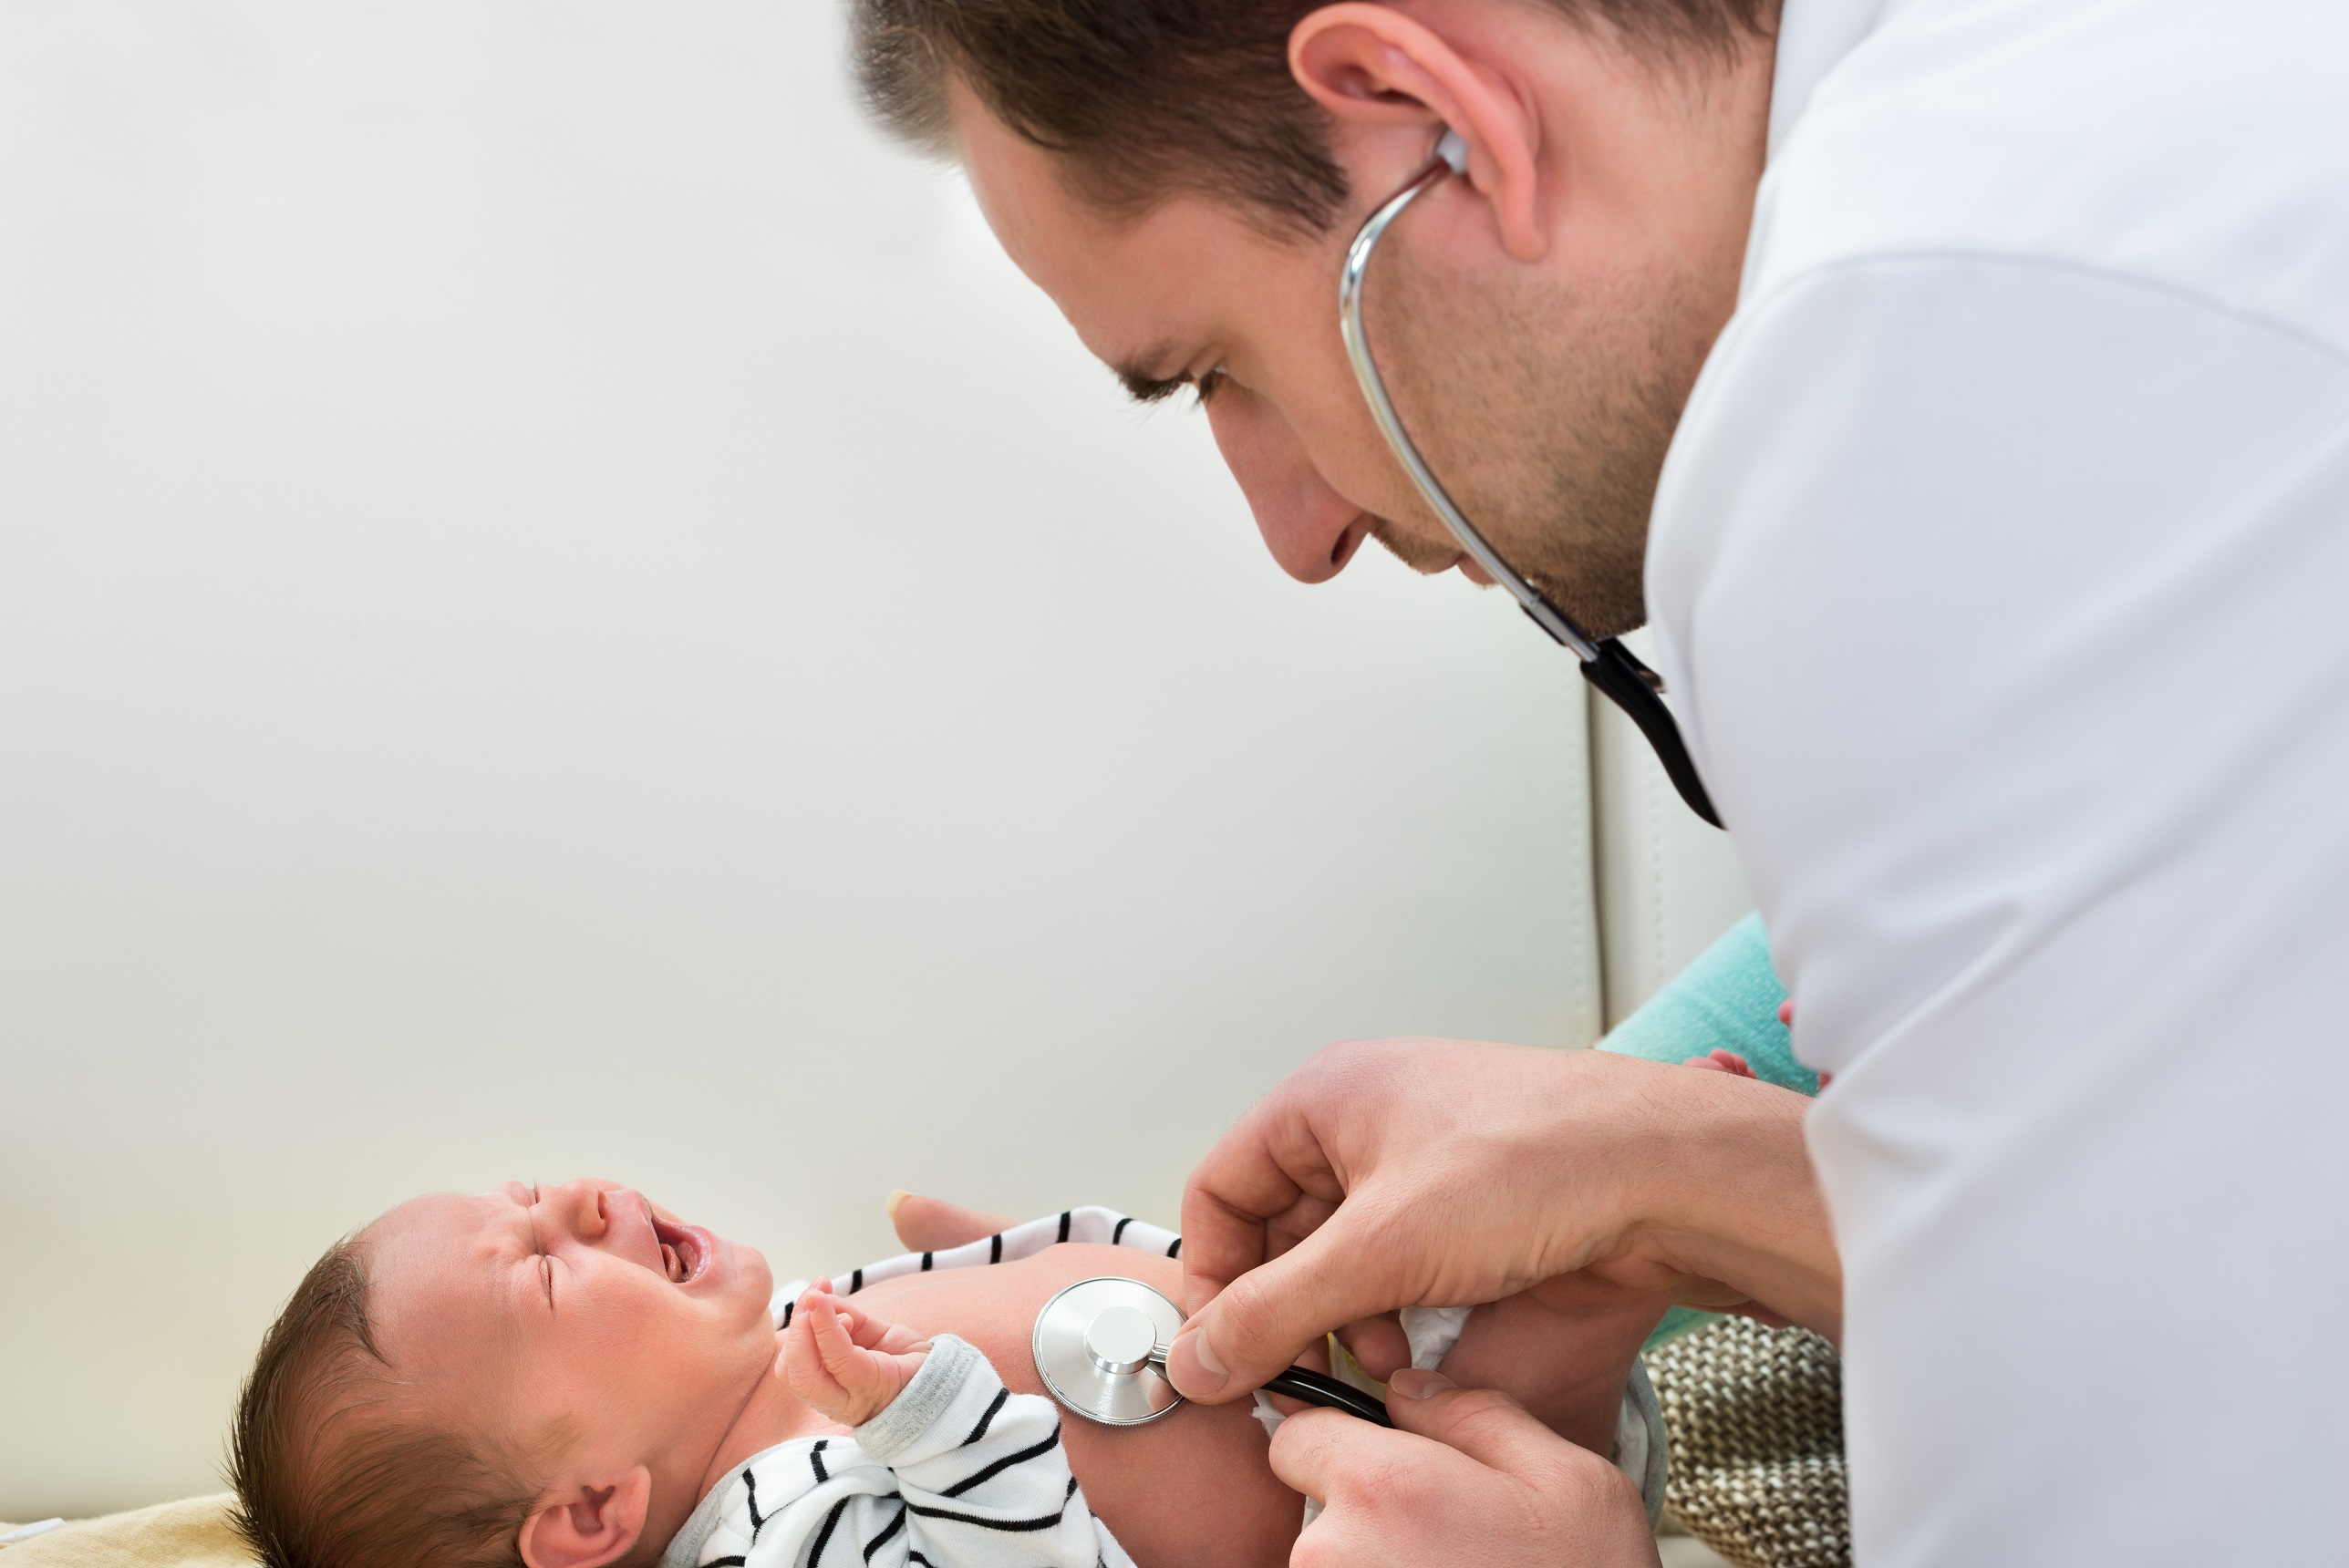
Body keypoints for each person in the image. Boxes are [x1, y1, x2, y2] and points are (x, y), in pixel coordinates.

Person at [844, 0, 2349, 1561]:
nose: (1297, 535)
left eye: (1222, 366)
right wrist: (1689, 1176)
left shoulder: (1891, 398)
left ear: (1428, 111)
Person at [224, 1178, 1674, 1568]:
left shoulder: (791, 1333)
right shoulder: (776, 1531)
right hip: (1384, 1519)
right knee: (1540, 1363)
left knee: (1537, 1290)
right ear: (593, 1511)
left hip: (1362, 1365)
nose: (591, 1198)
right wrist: (936, 1416)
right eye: (541, 1267)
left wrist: (1100, 1250)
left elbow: (1021, 1284)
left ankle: (1609, 1276)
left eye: (534, 1193)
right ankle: (1594, 1320)